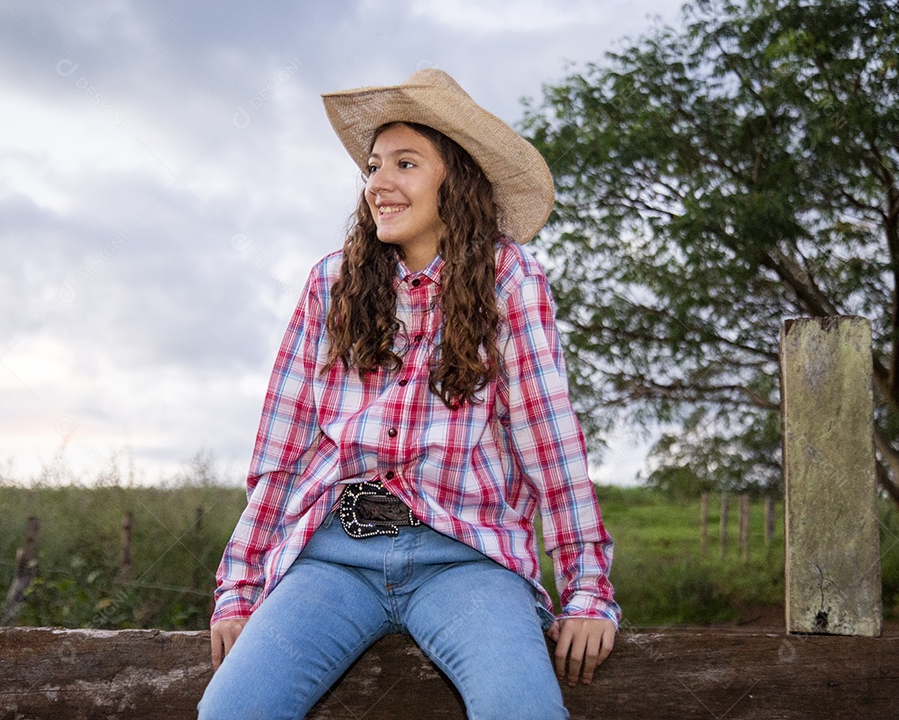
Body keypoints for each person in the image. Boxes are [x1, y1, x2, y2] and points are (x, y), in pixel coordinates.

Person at [198, 69, 619, 720]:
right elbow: (282, 449)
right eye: (372, 166)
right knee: (232, 711)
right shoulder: (330, 285)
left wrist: (588, 590)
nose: (379, 184)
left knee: (524, 710)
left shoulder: (512, 282)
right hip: (334, 558)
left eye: (405, 163)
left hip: (466, 561)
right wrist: (239, 589)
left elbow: (550, 446)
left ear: (457, 180)